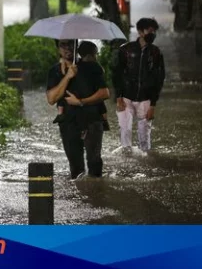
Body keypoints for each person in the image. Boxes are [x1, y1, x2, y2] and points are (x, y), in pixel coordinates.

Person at [46, 40, 110, 179]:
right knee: (76, 169)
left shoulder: (91, 67)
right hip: (68, 123)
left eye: (70, 44)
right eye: (63, 45)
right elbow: (51, 99)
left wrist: (81, 102)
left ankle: (96, 196)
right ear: (58, 49)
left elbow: (105, 93)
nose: (67, 48)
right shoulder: (55, 71)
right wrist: (68, 77)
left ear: (76, 47)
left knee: (94, 164)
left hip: (92, 120)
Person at [111, 18, 166, 156]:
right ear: (140, 32)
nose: (152, 34)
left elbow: (159, 79)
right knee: (125, 131)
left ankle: (145, 164)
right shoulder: (125, 50)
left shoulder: (156, 53)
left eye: (154, 31)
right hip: (126, 97)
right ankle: (126, 163)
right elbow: (117, 74)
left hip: (146, 98)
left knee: (145, 139)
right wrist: (118, 97)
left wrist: (153, 104)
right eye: (150, 31)